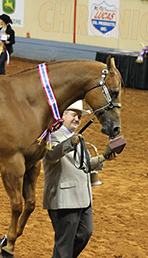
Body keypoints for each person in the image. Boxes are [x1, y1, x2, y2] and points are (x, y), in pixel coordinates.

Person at [42, 100, 117, 258]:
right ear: (63, 115)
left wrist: (104, 157)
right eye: (74, 115)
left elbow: (85, 165)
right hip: (64, 199)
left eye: (79, 117)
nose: (77, 119)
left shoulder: (77, 138)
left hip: (83, 198)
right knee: (65, 244)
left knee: (84, 233)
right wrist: (70, 143)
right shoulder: (52, 135)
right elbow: (51, 155)